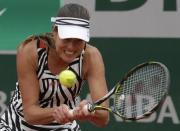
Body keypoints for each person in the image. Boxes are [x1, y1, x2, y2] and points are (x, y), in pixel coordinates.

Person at [0, 3, 109, 131]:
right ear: (54, 31)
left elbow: (103, 118)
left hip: (64, 127)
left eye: (78, 40)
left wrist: (89, 113)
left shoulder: (91, 57)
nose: (71, 47)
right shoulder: (30, 51)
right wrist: (61, 112)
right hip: (16, 125)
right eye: (66, 39)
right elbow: (30, 113)